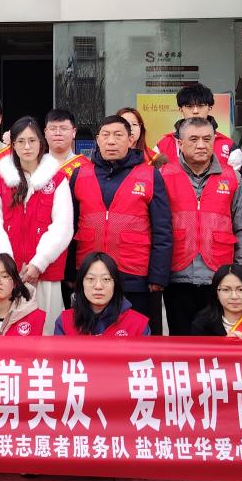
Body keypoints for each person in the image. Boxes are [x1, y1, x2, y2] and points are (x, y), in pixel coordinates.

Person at [70, 115, 172, 331]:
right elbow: (70, 227)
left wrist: (158, 275)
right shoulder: (80, 174)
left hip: (135, 275)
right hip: (90, 274)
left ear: (131, 139)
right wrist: (71, 272)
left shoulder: (150, 175)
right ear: (98, 139)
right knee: (89, 336)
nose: (111, 141)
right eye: (105, 135)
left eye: (118, 135)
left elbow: (163, 229)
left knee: (138, 336)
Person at [160, 117, 242, 335]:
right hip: (177, 275)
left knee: (219, 342)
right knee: (181, 341)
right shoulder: (163, 175)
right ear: (180, 143)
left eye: (207, 139)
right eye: (194, 139)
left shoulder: (232, 178)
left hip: (219, 276)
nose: (201, 145)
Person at [0, 116, 74, 332]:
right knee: (9, 332)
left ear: (41, 143)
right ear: (13, 145)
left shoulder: (57, 179)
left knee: (47, 330)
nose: (27, 147)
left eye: (32, 141)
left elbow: (63, 227)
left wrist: (38, 263)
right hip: (9, 274)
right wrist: (9, 266)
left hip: (46, 271)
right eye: (21, 141)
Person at [44, 107, 91, 309]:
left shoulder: (87, 168)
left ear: (74, 132)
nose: (58, 133)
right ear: (45, 132)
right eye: (53, 128)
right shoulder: (35, 166)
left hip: (75, 247)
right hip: (43, 248)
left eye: (63, 128)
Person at [54, 252, 151, 336]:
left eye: (106, 279)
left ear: (116, 284)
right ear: (81, 283)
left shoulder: (138, 324)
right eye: (91, 279)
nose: (98, 286)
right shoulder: (64, 321)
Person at [153, 83, 242, 172]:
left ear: (210, 108)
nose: (195, 111)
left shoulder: (229, 146)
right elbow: (153, 177)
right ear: (180, 109)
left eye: (200, 106)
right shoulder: (163, 145)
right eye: (189, 106)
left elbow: (236, 179)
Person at [190, 264, 242, 337]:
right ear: (216, 293)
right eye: (226, 290)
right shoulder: (202, 324)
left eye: (241, 290)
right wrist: (225, 344)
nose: (234, 296)